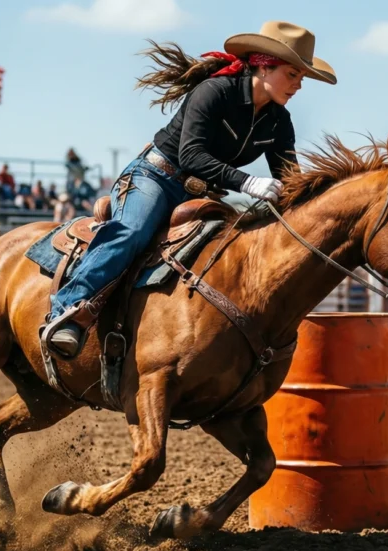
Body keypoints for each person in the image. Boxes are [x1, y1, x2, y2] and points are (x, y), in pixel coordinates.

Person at [43, 20, 337, 357]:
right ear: (263, 65)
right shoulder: (214, 92)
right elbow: (190, 154)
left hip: (202, 195)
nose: (298, 86)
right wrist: (247, 182)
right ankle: (66, 310)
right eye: (292, 74)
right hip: (155, 178)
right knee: (132, 232)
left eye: (301, 78)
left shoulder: (279, 121)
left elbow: (289, 177)